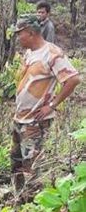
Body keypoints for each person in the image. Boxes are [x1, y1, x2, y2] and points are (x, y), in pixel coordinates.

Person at [10, 14, 80, 193]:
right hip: (20, 118)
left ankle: (32, 204)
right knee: (16, 162)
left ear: (31, 33)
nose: (18, 37)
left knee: (32, 167)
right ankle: (18, 198)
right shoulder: (29, 53)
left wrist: (53, 104)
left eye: (21, 33)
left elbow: (73, 79)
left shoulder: (52, 53)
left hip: (35, 121)